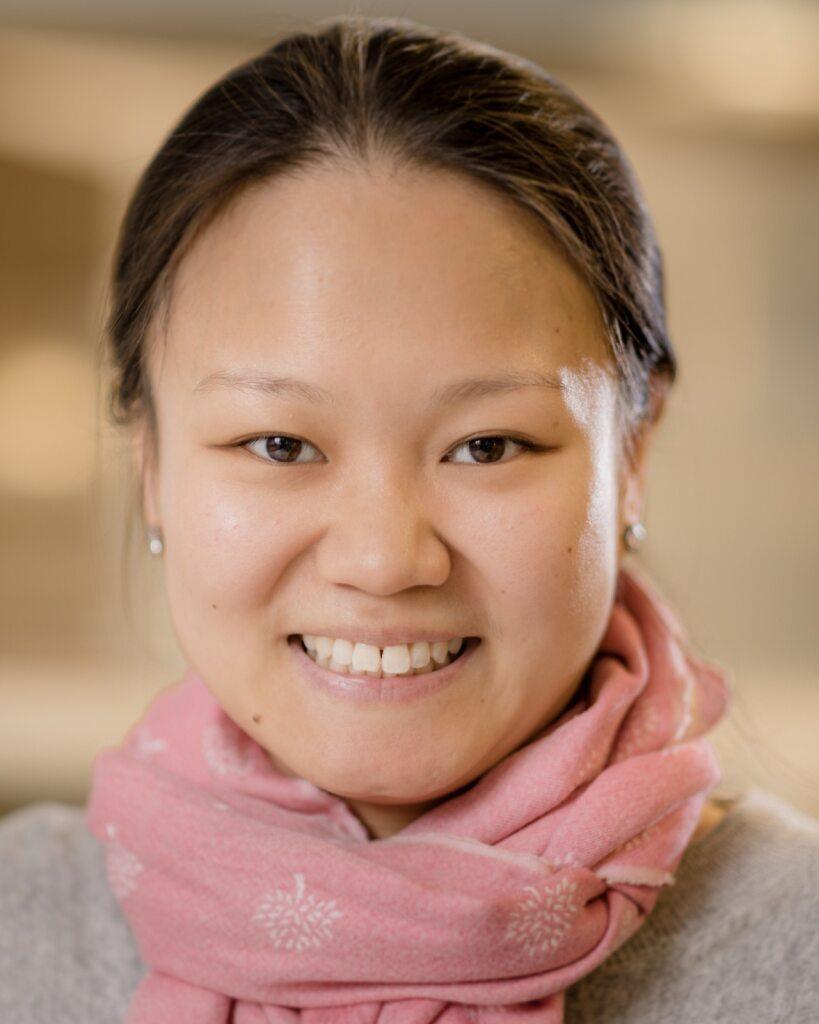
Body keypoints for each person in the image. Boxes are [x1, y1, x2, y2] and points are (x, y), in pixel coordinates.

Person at [1, 14, 817, 1024]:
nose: (385, 558)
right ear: (151, 465)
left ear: (632, 454)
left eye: (487, 446)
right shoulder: (18, 928)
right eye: (279, 444)